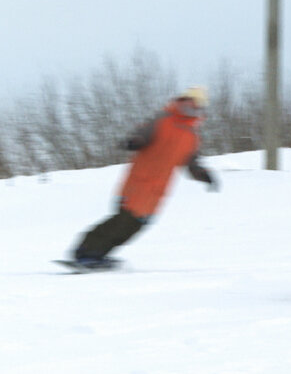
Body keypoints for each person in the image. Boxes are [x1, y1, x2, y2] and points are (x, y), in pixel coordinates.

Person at [71, 86, 219, 269]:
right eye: (189, 102)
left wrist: (204, 175)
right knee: (122, 220)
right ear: (181, 101)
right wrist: (136, 141)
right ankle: (85, 253)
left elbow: (192, 163)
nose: (192, 107)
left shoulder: (191, 136)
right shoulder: (163, 120)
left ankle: (98, 256)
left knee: (135, 226)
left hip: (157, 190)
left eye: (197, 105)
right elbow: (143, 134)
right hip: (139, 182)